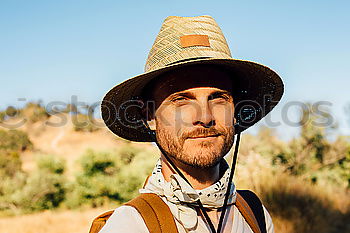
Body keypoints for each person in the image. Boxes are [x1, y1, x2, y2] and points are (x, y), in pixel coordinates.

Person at [96, 15, 284, 233]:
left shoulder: (254, 212)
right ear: (149, 115)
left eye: (218, 98)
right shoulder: (130, 225)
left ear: (235, 110)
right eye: (182, 100)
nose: (204, 117)